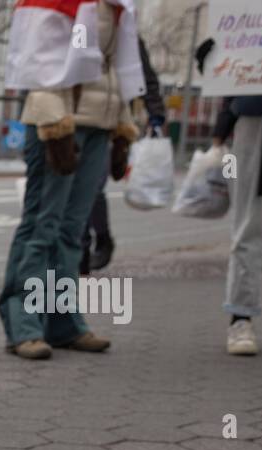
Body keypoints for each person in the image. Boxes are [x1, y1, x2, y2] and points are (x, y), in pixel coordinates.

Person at [0, 0, 140, 359]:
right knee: (41, 227)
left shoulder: (119, 4)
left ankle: (63, 324)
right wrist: (53, 121)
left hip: (97, 124)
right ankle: (24, 325)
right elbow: (39, 59)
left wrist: (122, 123)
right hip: (59, 123)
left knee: (70, 232)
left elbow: (116, 66)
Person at [205, 87, 262, 357]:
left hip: (258, 111)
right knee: (249, 223)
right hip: (260, 115)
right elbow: (238, 59)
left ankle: (241, 317)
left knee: (249, 223)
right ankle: (240, 317)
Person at [81, 37, 165, 275]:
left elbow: (146, 78)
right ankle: (80, 249)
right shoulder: (76, 24)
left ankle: (100, 239)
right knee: (75, 189)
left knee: (93, 187)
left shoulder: (124, 30)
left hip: (110, 121)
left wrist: (156, 114)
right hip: (75, 119)